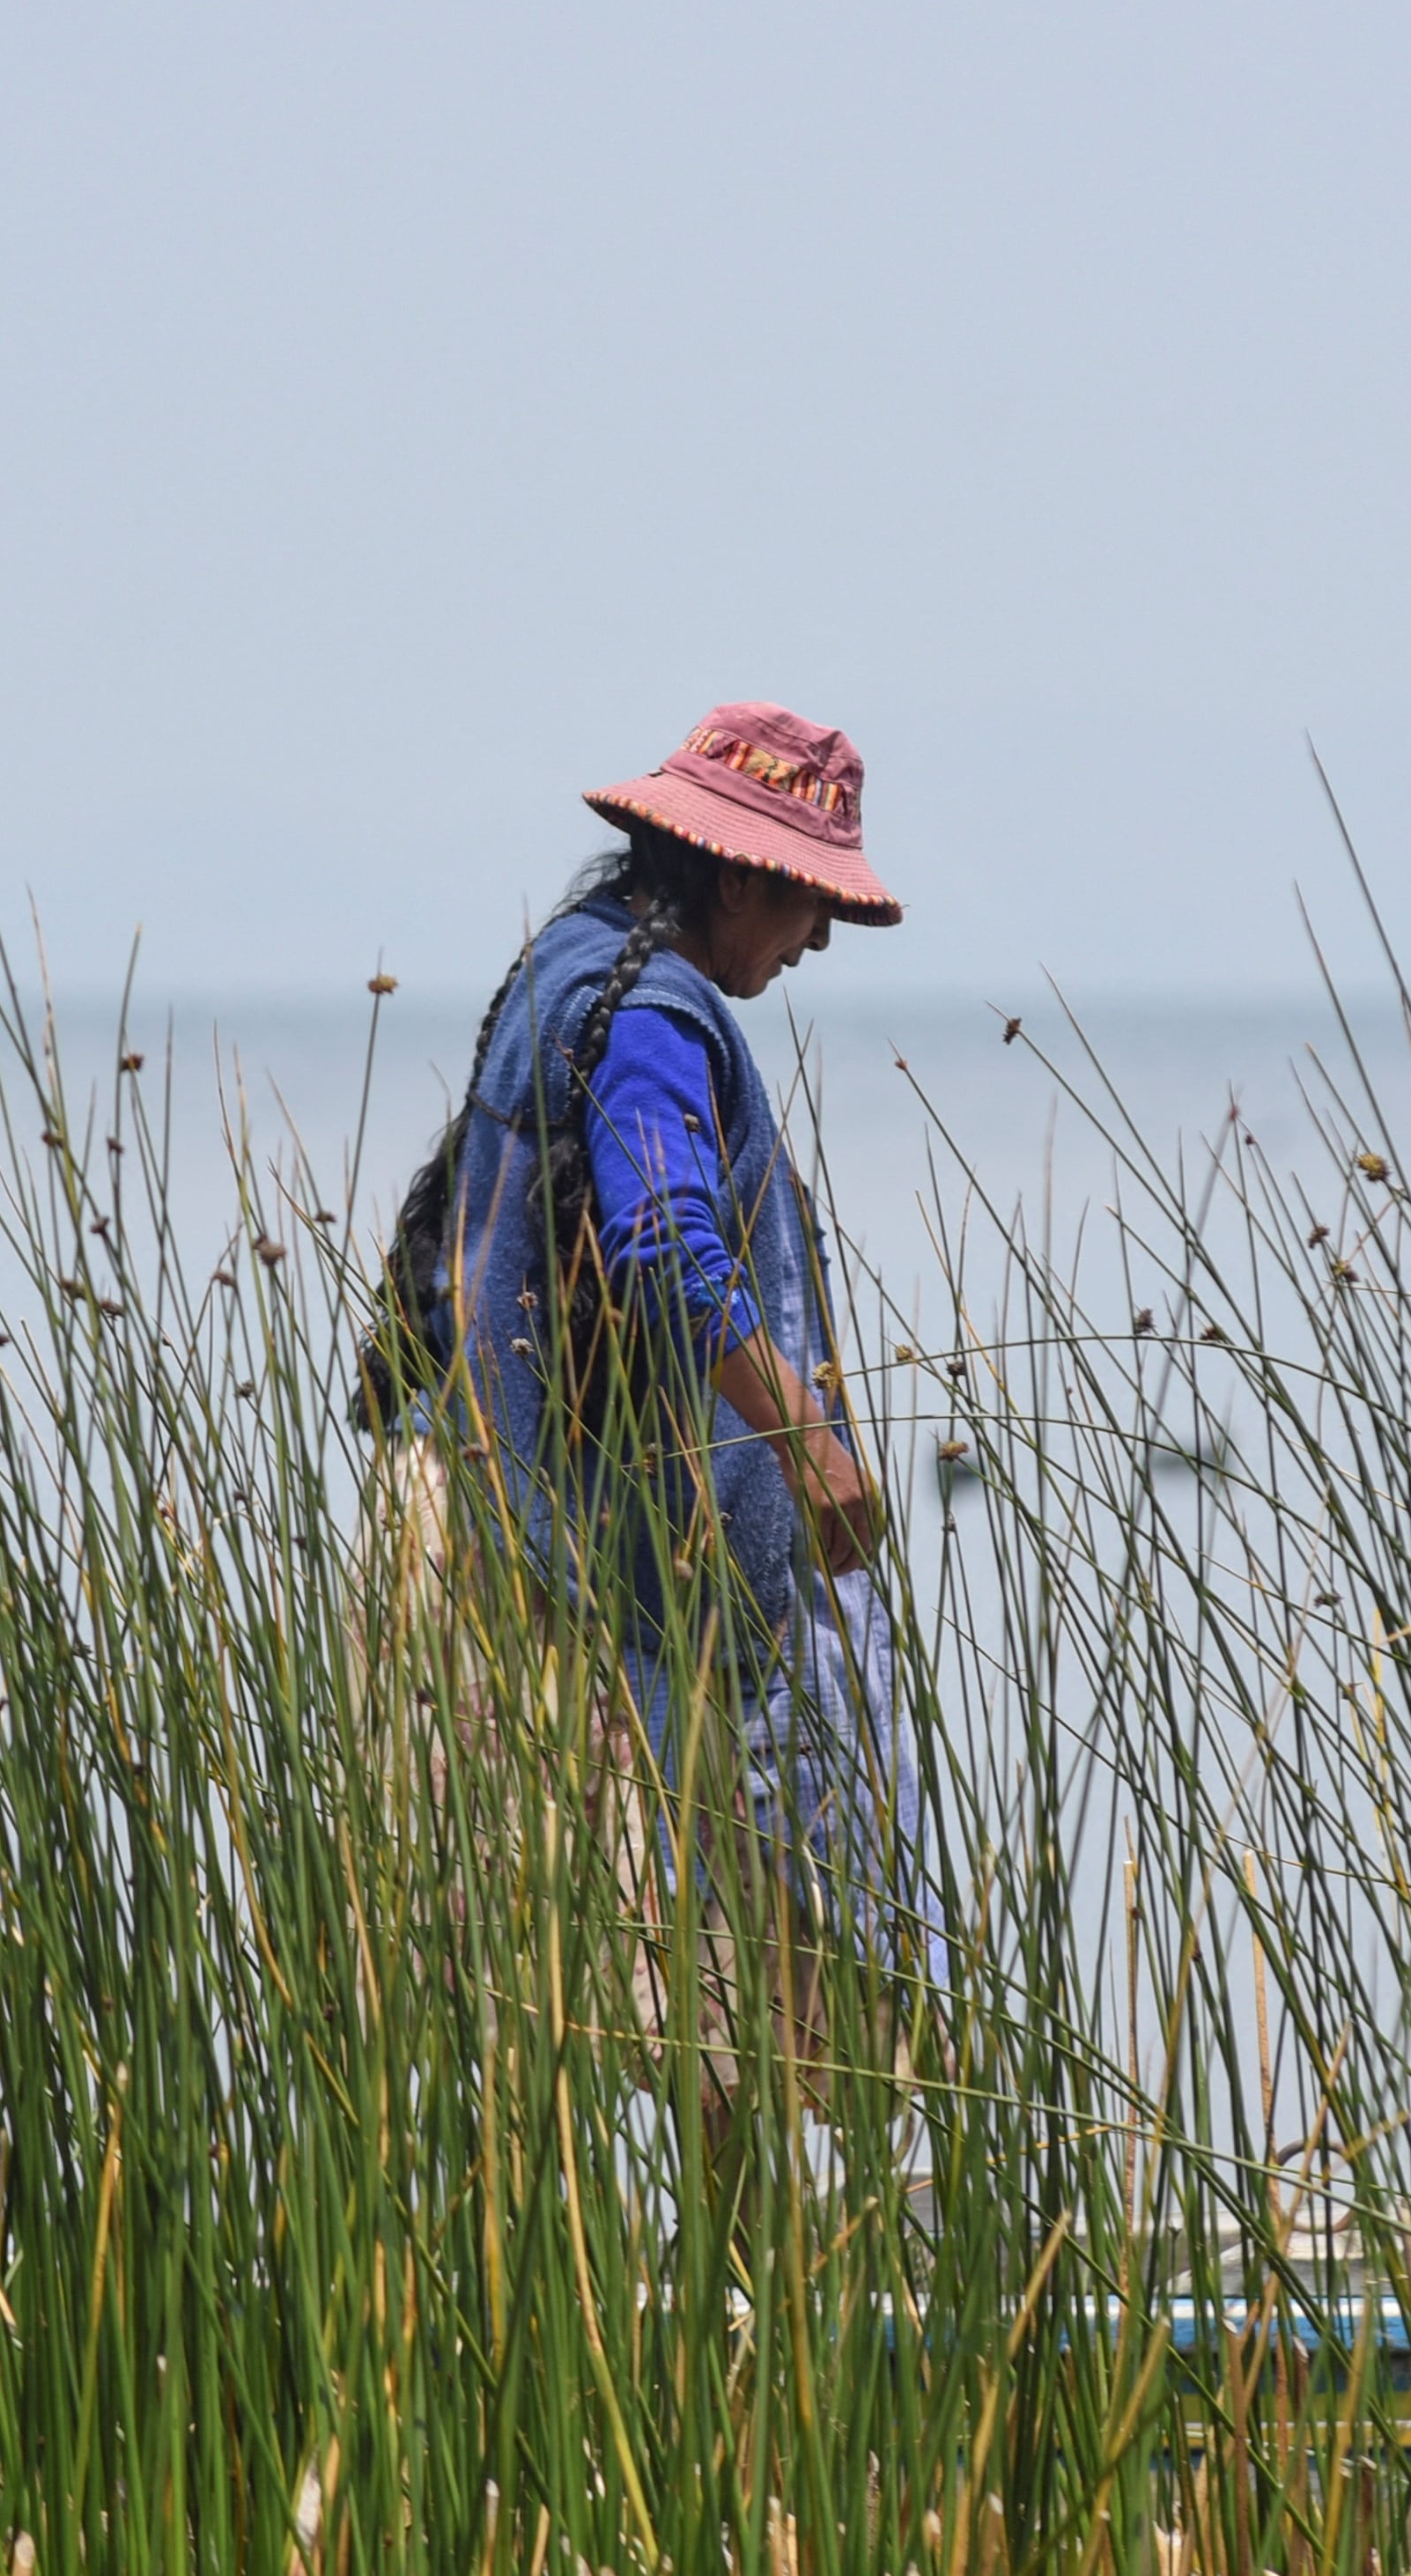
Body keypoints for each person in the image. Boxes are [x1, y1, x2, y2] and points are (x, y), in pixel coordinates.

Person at [428, 700, 933, 2105]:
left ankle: (682, 2308)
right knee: (726, 1993)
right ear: (732, 875)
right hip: (602, 1580)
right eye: (808, 904)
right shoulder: (651, 1011)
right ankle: (754, 2303)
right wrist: (809, 1442)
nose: (818, 941)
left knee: (579, 1982)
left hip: (505, 1533)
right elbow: (664, 1246)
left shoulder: (566, 970)